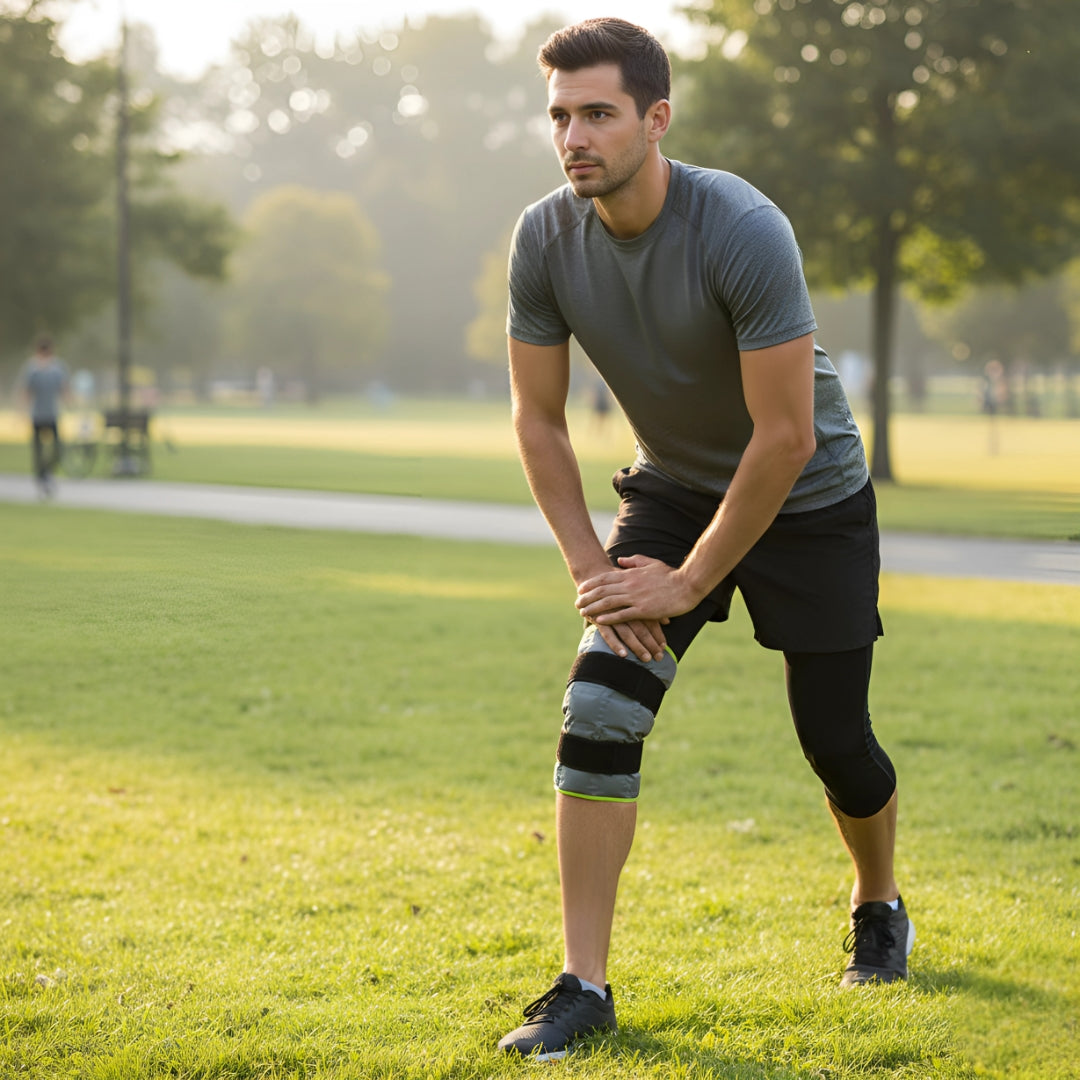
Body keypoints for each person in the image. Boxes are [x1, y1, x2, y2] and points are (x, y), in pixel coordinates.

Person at [498, 18, 913, 1061]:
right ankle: (581, 984)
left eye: (597, 112)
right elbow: (537, 421)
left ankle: (878, 902)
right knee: (599, 703)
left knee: (837, 743)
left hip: (811, 497)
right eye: (559, 115)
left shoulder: (740, 227)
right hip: (678, 486)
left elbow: (784, 434)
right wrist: (596, 569)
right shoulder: (544, 239)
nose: (573, 136)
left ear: (655, 118)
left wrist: (686, 583)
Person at [20, 335, 69, 497]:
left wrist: (70, 402)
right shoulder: (32, 368)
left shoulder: (57, 368)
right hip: (37, 415)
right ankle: (41, 477)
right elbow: (27, 390)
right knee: (38, 449)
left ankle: (47, 472)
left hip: (52, 414)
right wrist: (22, 410)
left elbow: (63, 388)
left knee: (57, 447)